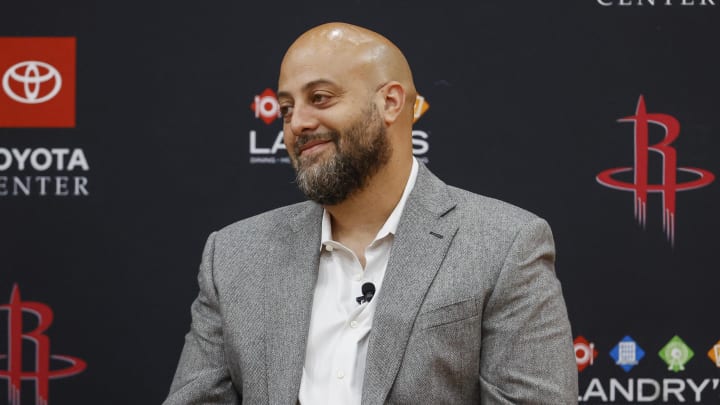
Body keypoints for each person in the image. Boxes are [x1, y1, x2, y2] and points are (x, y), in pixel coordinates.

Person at [164, 22, 578, 404]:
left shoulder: (504, 244)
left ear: (390, 102)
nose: (297, 124)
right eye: (286, 108)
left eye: (320, 98)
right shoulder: (234, 255)